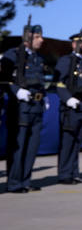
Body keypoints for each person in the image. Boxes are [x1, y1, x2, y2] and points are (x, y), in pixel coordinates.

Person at [3, 24, 47, 192]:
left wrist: (44, 95)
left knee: (32, 146)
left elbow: (40, 80)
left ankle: (25, 180)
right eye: (37, 37)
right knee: (19, 145)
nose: (41, 40)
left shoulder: (38, 58)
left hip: (36, 106)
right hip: (20, 106)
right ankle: (14, 183)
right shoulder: (13, 54)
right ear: (27, 37)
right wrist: (16, 91)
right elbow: (6, 79)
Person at [55, 30, 82, 184]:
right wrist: (68, 99)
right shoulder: (67, 60)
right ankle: (65, 174)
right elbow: (59, 83)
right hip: (72, 108)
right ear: (74, 44)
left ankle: (74, 172)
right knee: (68, 142)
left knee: (78, 142)